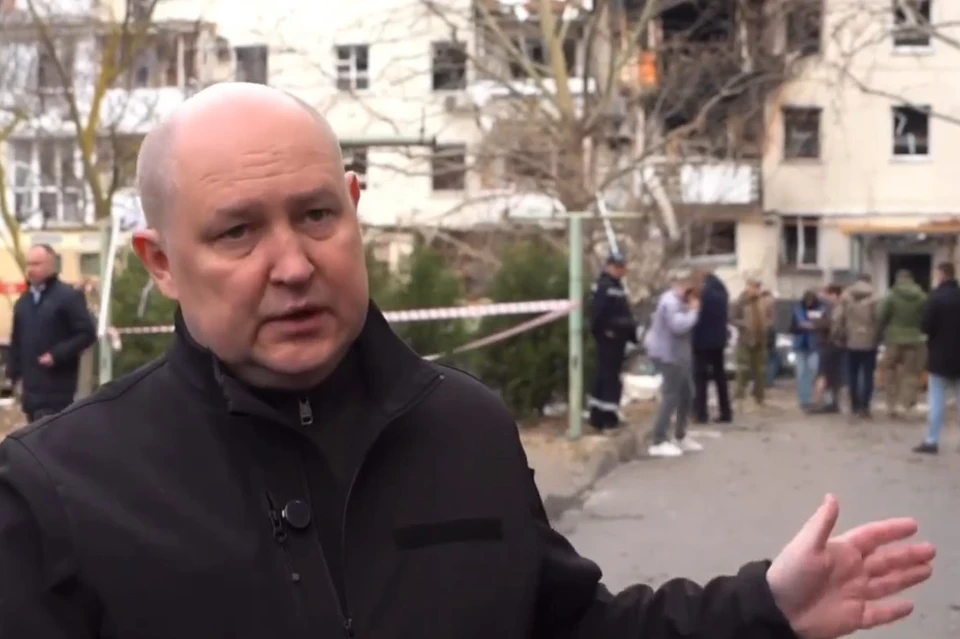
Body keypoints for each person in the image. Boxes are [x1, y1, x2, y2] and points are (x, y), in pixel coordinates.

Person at [0, 83, 935, 638]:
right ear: (161, 261)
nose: (292, 264)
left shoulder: (465, 427)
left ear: (354, 206)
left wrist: (764, 608)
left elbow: (569, 627)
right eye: (237, 232)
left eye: (317, 215)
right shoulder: (57, 493)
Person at [6, 244, 96, 422]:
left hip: (58, 391)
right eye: (29, 264)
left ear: (51, 265)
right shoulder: (23, 303)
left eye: (36, 264)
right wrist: (13, 374)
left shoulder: (68, 297)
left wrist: (56, 355)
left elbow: (86, 334)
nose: (31, 269)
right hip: (31, 395)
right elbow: (17, 341)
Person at [644, 273, 702, 457]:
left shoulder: (680, 301)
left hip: (679, 356)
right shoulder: (670, 302)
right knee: (671, 396)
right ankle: (658, 439)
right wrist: (693, 312)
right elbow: (678, 326)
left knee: (687, 394)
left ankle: (680, 435)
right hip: (668, 355)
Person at [913, 262, 960, 454]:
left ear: (941, 274)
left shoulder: (935, 298)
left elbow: (925, 326)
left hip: (940, 355)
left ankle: (932, 440)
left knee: (937, 400)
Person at [588, 252, 637, 430]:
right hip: (610, 338)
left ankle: (600, 414)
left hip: (617, 338)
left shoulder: (616, 285)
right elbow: (599, 314)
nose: (621, 270)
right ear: (609, 266)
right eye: (617, 267)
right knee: (608, 378)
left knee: (607, 376)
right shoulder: (605, 286)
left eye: (622, 267)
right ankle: (606, 416)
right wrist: (605, 332)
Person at [878, 270, 927, 419]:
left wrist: (884, 331)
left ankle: (891, 405)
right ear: (912, 279)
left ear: (898, 279)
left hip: (894, 339)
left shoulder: (891, 295)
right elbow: (927, 317)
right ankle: (906, 405)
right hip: (915, 339)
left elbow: (882, 316)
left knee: (889, 370)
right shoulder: (922, 296)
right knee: (911, 373)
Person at [832, 273, 880, 419]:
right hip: (870, 342)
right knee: (868, 375)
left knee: (852, 374)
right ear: (869, 282)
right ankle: (865, 407)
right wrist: (878, 336)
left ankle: (854, 405)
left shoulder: (846, 298)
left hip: (851, 341)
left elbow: (837, 318)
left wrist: (837, 334)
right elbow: (880, 319)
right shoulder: (876, 298)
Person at [691, 268, 732, 424]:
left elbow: (697, 317)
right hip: (718, 341)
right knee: (720, 377)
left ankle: (701, 413)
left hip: (702, 341)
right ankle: (726, 412)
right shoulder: (722, 293)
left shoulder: (702, 294)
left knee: (700, 378)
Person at [731, 278, 772, 407]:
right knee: (743, 369)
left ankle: (759, 397)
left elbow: (770, 317)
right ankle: (739, 396)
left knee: (760, 370)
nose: (756, 289)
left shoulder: (764, 302)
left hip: (760, 339)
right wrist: (743, 324)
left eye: (757, 287)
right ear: (747, 287)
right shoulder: (740, 302)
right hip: (745, 339)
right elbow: (732, 318)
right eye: (753, 286)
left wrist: (767, 324)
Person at [809, 284, 844, 414]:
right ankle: (833, 402)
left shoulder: (829, 308)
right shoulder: (842, 307)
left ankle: (818, 403)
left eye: (825, 294)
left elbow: (824, 324)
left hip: (827, 344)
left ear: (833, 295)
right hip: (838, 345)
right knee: (834, 376)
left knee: (822, 375)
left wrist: (814, 322)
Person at [792, 290, 825, 410]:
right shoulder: (798, 309)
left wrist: (809, 325)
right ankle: (804, 399)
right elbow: (799, 324)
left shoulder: (820, 308)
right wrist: (812, 325)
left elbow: (817, 324)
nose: (809, 303)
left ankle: (809, 397)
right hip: (801, 345)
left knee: (812, 371)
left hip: (813, 345)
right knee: (802, 373)